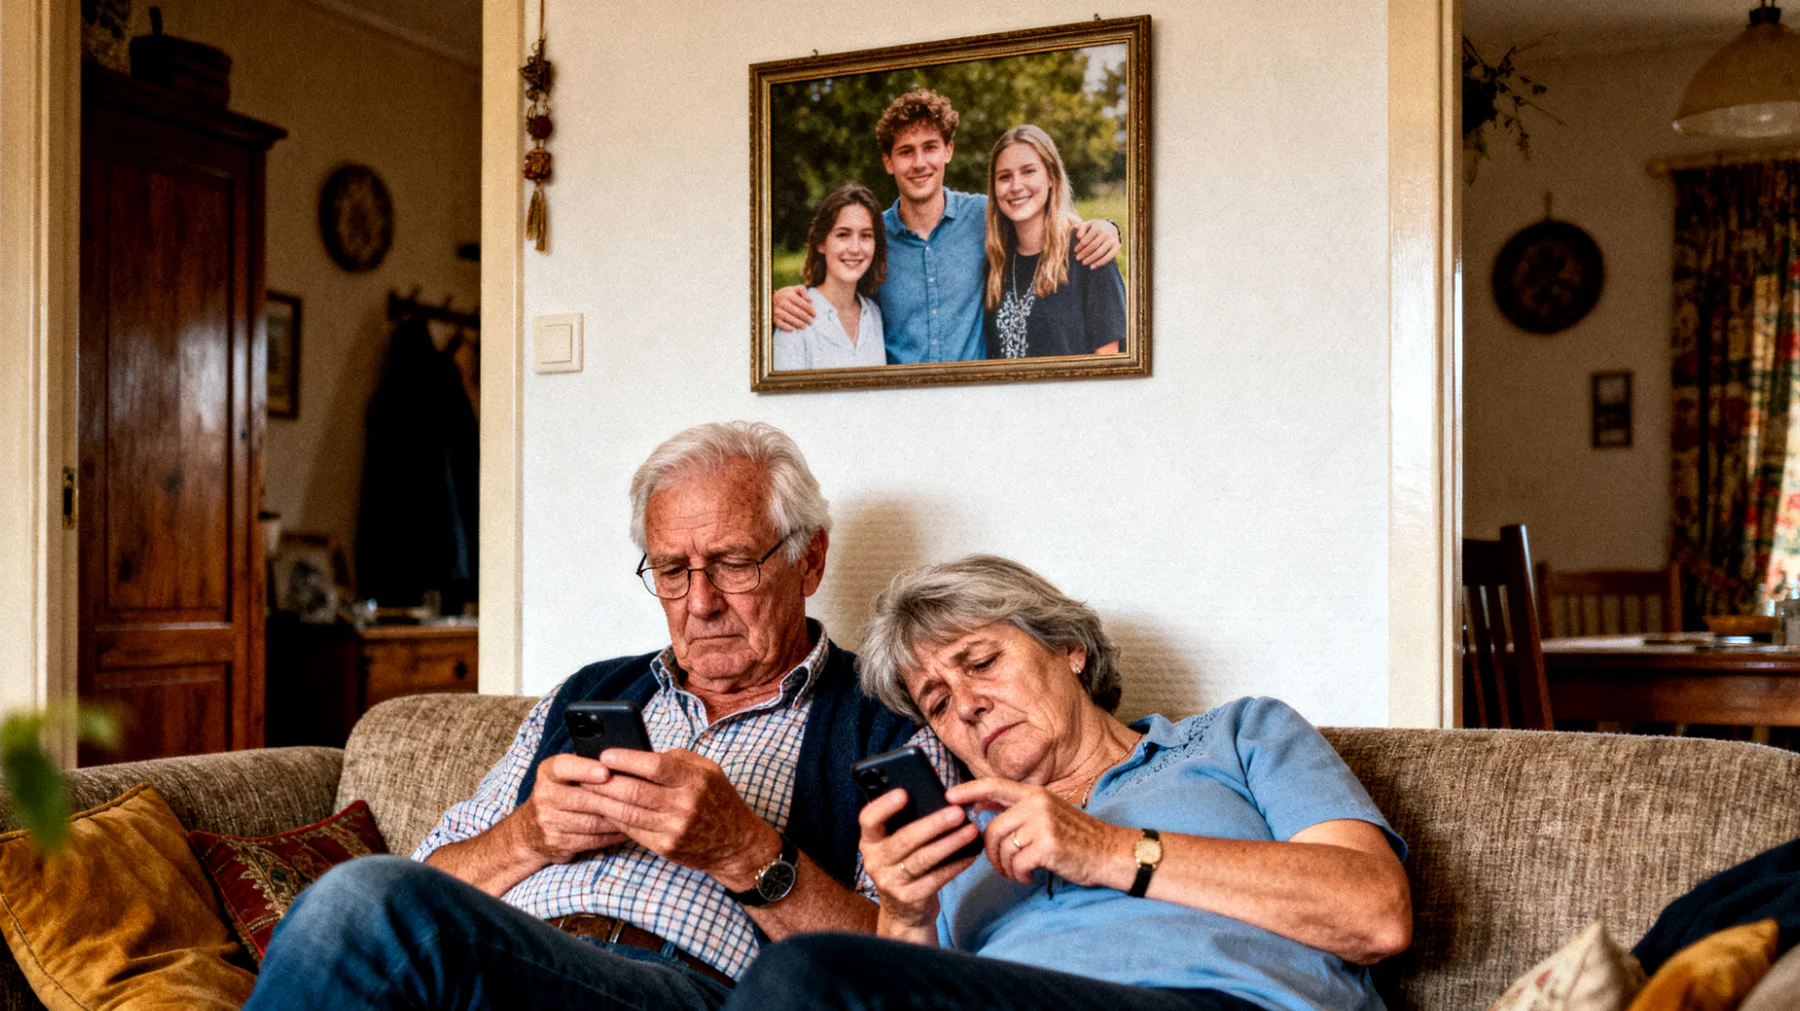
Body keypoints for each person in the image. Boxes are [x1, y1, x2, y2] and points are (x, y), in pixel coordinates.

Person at [243, 422, 955, 1011]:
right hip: (506, 960)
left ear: (810, 559)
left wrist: (743, 849)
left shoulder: (887, 720)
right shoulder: (586, 692)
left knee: (361, 899)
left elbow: (910, 966)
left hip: (684, 988)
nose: (700, 601)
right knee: (365, 901)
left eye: (733, 563)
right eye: (672, 570)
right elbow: (430, 877)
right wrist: (527, 836)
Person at [724, 556, 1412, 1011]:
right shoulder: (959, 845)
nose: (965, 704)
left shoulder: (1239, 735)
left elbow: (1375, 912)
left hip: (1221, 1001)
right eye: (936, 701)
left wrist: (1103, 847)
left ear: (1069, 649)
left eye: (982, 661)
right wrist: (905, 916)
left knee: (801, 973)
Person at [772, 89, 1122, 364]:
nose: (920, 162)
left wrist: (1107, 228)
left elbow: (1040, 217)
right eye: (906, 151)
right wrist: (780, 300)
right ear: (888, 162)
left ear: (948, 151)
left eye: (930, 147)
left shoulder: (986, 216)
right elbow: (838, 280)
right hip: (902, 408)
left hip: (975, 404)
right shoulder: (872, 238)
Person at [983, 125, 1127, 358]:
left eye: (1028, 171)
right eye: (1004, 177)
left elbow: (1109, 364)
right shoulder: (995, 265)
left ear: (1051, 176)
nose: (1016, 186)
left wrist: (1110, 226)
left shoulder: (1088, 251)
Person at [773, 184, 888, 370]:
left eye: (866, 236)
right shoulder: (795, 314)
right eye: (843, 234)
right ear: (821, 243)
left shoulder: (874, 315)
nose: (855, 248)